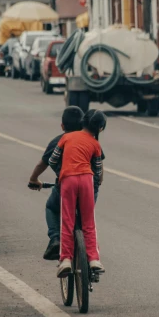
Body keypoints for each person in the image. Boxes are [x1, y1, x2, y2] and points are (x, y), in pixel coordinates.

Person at [48, 110, 106, 278]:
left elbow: (52, 160)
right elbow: (98, 170)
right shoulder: (95, 144)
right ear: (100, 129)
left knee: (67, 221)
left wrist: (61, 173)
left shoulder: (66, 138)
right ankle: (94, 260)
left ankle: (65, 260)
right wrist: (98, 182)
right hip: (87, 180)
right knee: (89, 222)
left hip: (68, 181)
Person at [28, 106, 86, 260]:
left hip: (66, 185)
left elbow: (43, 163)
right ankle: (90, 252)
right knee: (87, 217)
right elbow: (99, 163)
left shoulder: (58, 141)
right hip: (88, 187)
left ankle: (55, 238)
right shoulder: (90, 139)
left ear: (62, 126)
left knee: (52, 207)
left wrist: (33, 180)